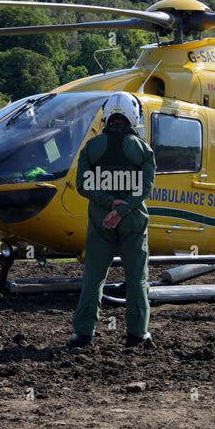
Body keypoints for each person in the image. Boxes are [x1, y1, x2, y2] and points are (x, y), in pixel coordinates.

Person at [69, 92, 156, 349]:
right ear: (133, 116)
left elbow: (82, 185)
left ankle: (83, 334)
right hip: (133, 221)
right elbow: (145, 187)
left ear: (107, 116)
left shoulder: (92, 147)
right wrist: (124, 207)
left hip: (100, 220)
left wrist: (108, 203)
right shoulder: (143, 150)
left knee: (94, 277)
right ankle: (137, 333)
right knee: (137, 278)